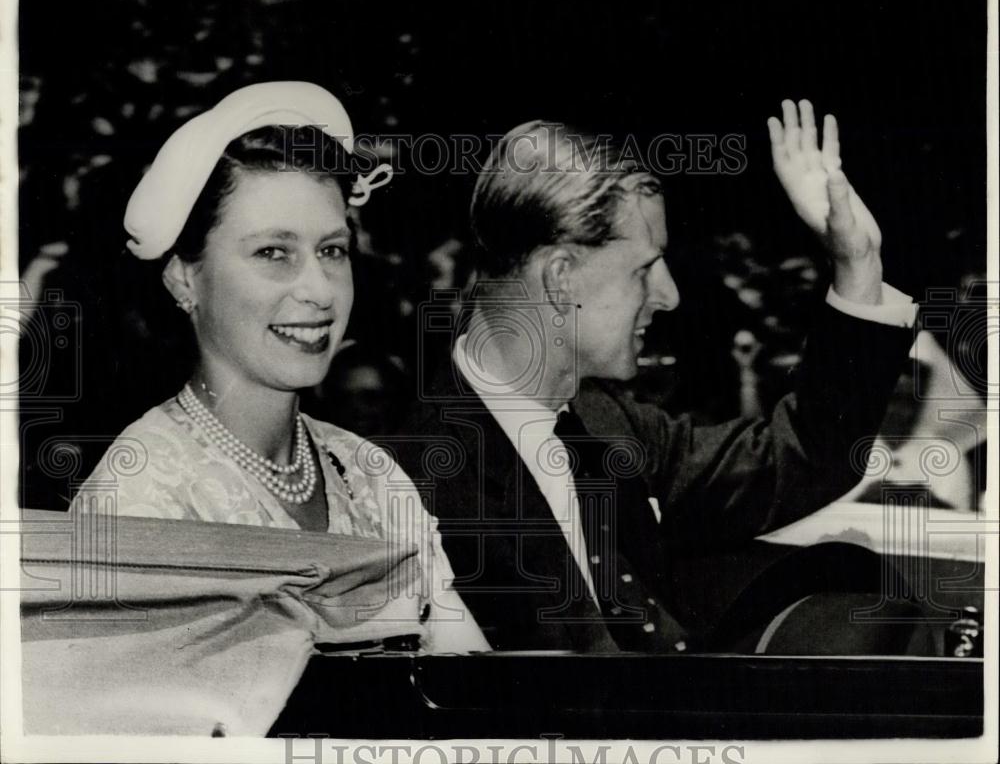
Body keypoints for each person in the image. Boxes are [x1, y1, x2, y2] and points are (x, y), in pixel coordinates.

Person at [394, 101, 919, 652]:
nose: (668, 297)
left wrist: (858, 264)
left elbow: (800, 457)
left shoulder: (608, 423)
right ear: (561, 277)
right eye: (645, 269)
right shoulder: (410, 484)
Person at [70, 81, 487, 653]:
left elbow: (472, 690)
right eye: (274, 253)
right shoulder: (138, 497)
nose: (319, 290)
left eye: (332, 251)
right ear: (183, 278)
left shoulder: (370, 474)